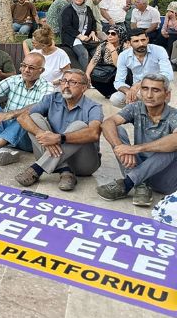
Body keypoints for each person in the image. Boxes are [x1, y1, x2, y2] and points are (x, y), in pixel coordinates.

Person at [15, 69, 103, 191]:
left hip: (83, 163)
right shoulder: (51, 98)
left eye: (72, 82)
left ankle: (37, 168)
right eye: (64, 81)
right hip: (52, 154)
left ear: (84, 88)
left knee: (80, 126)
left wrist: (59, 138)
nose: (66, 86)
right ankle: (65, 170)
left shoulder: (93, 107)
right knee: (34, 118)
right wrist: (41, 133)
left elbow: (93, 134)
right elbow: (22, 117)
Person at [97, 74, 177, 206]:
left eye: (155, 90)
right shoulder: (136, 107)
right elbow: (107, 123)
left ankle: (127, 183)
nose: (149, 95)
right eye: (145, 89)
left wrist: (136, 148)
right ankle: (141, 185)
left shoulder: (174, 115)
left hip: (163, 179)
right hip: (135, 166)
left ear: (167, 95)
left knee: (172, 146)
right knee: (116, 130)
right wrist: (120, 148)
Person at [0, 52, 54, 165]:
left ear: (41, 71)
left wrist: (12, 114)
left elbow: (42, 105)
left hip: (27, 137)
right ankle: (1, 150)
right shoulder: (14, 80)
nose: (26, 70)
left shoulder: (47, 86)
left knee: (26, 115)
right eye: (24, 65)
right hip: (6, 129)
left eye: (31, 68)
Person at [111, 28, 174, 107]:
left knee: (143, 95)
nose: (141, 44)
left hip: (157, 86)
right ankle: (136, 114)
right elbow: (118, 81)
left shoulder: (159, 50)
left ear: (147, 39)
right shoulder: (124, 55)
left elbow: (168, 75)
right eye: (136, 41)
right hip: (137, 90)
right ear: (129, 43)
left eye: (143, 40)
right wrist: (128, 91)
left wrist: (141, 83)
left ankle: (153, 113)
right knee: (116, 98)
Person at [60, 0, 99, 70]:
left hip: (87, 36)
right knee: (83, 53)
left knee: (97, 52)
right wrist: (79, 36)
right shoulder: (68, 10)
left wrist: (93, 31)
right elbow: (66, 26)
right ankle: (82, 76)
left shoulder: (87, 9)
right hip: (72, 37)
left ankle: (93, 74)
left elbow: (93, 21)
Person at [85, 26, 127, 99]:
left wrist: (112, 50)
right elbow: (94, 61)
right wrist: (87, 74)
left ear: (120, 36)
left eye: (113, 34)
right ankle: (109, 94)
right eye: (108, 33)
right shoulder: (102, 46)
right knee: (93, 75)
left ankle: (118, 93)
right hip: (106, 70)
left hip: (119, 71)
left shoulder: (125, 47)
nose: (110, 35)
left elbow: (118, 65)